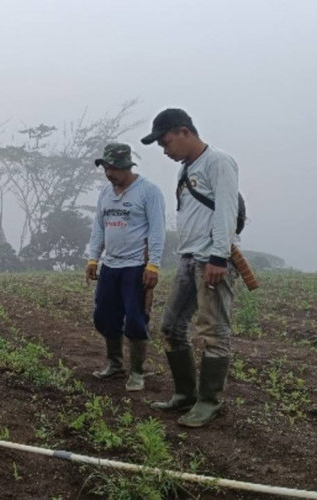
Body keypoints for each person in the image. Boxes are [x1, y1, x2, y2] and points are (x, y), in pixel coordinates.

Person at [141, 108, 239, 428]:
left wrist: (218, 257)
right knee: (170, 328)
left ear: (184, 132)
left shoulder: (218, 162)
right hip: (188, 258)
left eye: (166, 142)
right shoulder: (185, 169)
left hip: (211, 259)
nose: (165, 151)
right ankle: (186, 394)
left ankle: (209, 401)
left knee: (213, 331)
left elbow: (226, 210)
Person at [86, 143, 166, 392]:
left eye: (114, 168)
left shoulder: (149, 192)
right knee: (104, 316)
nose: (110, 174)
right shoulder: (105, 194)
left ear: (127, 167)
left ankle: (137, 372)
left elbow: (157, 231)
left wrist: (153, 265)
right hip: (111, 265)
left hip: (136, 266)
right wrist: (93, 258)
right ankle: (115, 364)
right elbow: (99, 227)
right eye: (106, 168)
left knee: (135, 318)